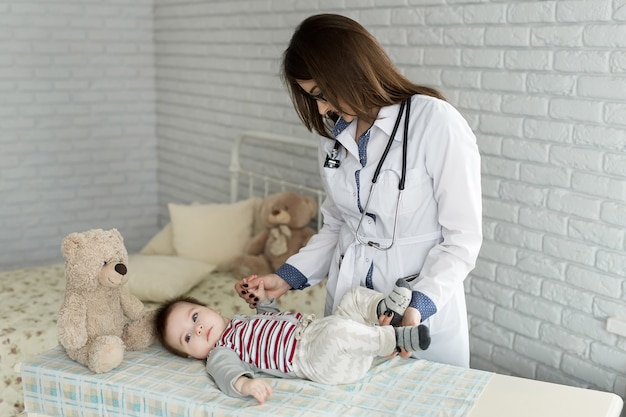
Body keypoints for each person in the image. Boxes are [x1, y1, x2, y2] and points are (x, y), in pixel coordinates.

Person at [235, 13, 482, 368]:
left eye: (321, 94)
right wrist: (286, 278)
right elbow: (337, 225)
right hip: (347, 310)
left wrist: (419, 306)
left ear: (349, 70)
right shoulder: (334, 139)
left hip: (414, 313)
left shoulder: (434, 122)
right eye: (312, 98)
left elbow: (462, 240)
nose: (321, 108)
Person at [155, 277, 430, 404]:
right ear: (193, 355)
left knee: (351, 297)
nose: (199, 328)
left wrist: (264, 299)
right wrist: (246, 384)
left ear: (211, 309)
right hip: (314, 359)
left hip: (321, 335)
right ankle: (394, 340)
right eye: (188, 337)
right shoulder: (220, 351)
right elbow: (226, 374)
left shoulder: (240, 321)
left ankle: (385, 311)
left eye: (195, 317)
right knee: (336, 330)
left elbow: (272, 318)